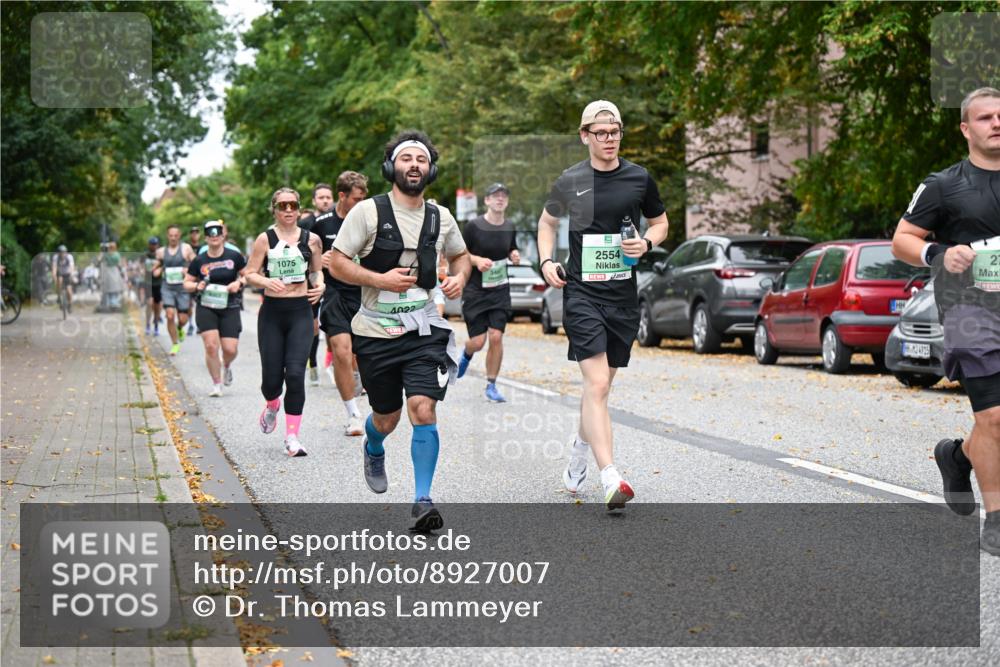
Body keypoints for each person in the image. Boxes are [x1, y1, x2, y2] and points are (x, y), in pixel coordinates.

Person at [329, 130, 470, 531]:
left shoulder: (441, 217)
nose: (414, 165)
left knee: (423, 408)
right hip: (376, 333)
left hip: (424, 329)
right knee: (386, 417)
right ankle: (373, 446)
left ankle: (422, 500)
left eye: (421, 160)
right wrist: (380, 279)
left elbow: (461, 257)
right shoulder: (368, 213)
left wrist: (459, 277)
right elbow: (337, 263)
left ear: (431, 169)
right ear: (392, 167)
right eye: (406, 158)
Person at [536, 100, 669, 512]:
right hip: (582, 294)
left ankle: (579, 448)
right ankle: (610, 476)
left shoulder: (639, 178)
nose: (609, 139)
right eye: (601, 132)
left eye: (615, 132)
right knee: (595, 385)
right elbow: (547, 223)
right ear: (585, 136)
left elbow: (661, 223)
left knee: (602, 386)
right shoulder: (571, 179)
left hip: (622, 297)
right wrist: (545, 262)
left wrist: (647, 243)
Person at [890, 86, 1000, 555]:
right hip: (971, 312)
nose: (996, 123)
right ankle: (996, 520)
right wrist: (938, 252)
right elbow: (902, 240)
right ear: (965, 128)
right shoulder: (944, 185)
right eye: (985, 117)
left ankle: (955, 456)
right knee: (995, 417)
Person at [245, 188, 325, 456]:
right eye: (282, 206)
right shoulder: (264, 239)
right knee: (271, 379)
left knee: (295, 373)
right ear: (275, 209)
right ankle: (271, 404)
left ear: (299, 209)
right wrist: (267, 281)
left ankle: (292, 436)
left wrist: (321, 286)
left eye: (292, 205)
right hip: (272, 313)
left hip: (300, 311)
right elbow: (249, 274)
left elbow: (317, 271)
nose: (288, 210)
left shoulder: (312, 240)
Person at [314, 171, 369, 436]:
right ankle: (354, 415)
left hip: (364, 294)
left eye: (364, 198)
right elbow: (307, 261)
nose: (361, 204)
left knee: (362, 356)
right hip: (334, 293)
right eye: (356, 199)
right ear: (342, 196)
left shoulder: (371, 221)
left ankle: (357, 378)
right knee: (341, 350)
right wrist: (319, 262)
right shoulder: (322, 224)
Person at [456, 182, 521, 402]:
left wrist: (514, 254)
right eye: (495, 196)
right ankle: (466, 354)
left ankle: (491, 385)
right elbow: (461, 255)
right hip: (476, 291)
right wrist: (477, 260)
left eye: (504, 196)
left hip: (500, 290)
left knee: (496, 336)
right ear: (487, 201)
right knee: (478, 342)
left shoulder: (510, 225)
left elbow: (511, 246)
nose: (500, 199)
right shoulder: (474, 226)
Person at [184, 220, 247, 397]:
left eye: (217, 234)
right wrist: (196, 286)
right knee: (211, 346)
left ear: (222, 235)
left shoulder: (234, 256)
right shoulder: (199, 260)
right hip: (206, 306)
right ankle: (216, 384)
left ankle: (226, 365)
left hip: (230, 305)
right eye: (210, 235)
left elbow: (249, 275)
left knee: (230, 349)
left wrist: (238, 282)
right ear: (206, 238)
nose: (214, 238)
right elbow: (186, 282)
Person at [300, 183, 337, 386]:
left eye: (328, 197)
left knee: (333, 326)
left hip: (336, 281)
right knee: (313, 326)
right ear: (314, 201)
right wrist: (317, 260)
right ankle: (312, 362)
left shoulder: (339, 221)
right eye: (321, 197)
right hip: (312, 279)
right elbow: (297, 252)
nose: (325, 201)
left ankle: (334, 360)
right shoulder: (306, 223)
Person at [153, 225, 197, 355]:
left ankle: (180, 328)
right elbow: (155, 269)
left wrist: (187, 270)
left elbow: (196, 264)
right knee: (169, 315)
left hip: (182, 287)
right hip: (167, 287)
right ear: (167, 236)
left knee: (183, 319)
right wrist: (158, 270)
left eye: (175, 235)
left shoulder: (186, 248)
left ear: (179, 236)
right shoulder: (161, 252)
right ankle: (175, 343)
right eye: (170, 235)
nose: (173, 238)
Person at [186, 226, 204, 336]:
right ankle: (190, 324)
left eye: (197, 232)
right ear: (190, 235)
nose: (195, 234)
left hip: (200, 279)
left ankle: (199, 325)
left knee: (199, 303)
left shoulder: (203, 247)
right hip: (190, 278)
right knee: (189, 304)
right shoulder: (187, 247)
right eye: (193, 232)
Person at [144, 237, 163, 335]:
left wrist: (160, 270)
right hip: (148, 283)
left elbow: (165, 266)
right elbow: (140, 267)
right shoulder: (145, 255)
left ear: (157, 245)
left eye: (155, 244)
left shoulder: (160, 256)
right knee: (149, 304)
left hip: (158, 283)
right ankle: (147, 325)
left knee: (157, 306)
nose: (153, 246)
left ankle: (156, 325)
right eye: (152, 244)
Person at [51, 245, 75, 312]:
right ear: (58, 253)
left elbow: (72, 267)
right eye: (61, 252)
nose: (62, 254)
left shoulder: (69, 257)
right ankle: (59, 297)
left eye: (64, 252)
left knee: (69, 290)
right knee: (59, 282)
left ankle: (70, 304)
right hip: (60, 272)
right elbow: (54, 267)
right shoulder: (55, 257)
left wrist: (71, 275)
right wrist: (54, 276)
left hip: (67, 273)